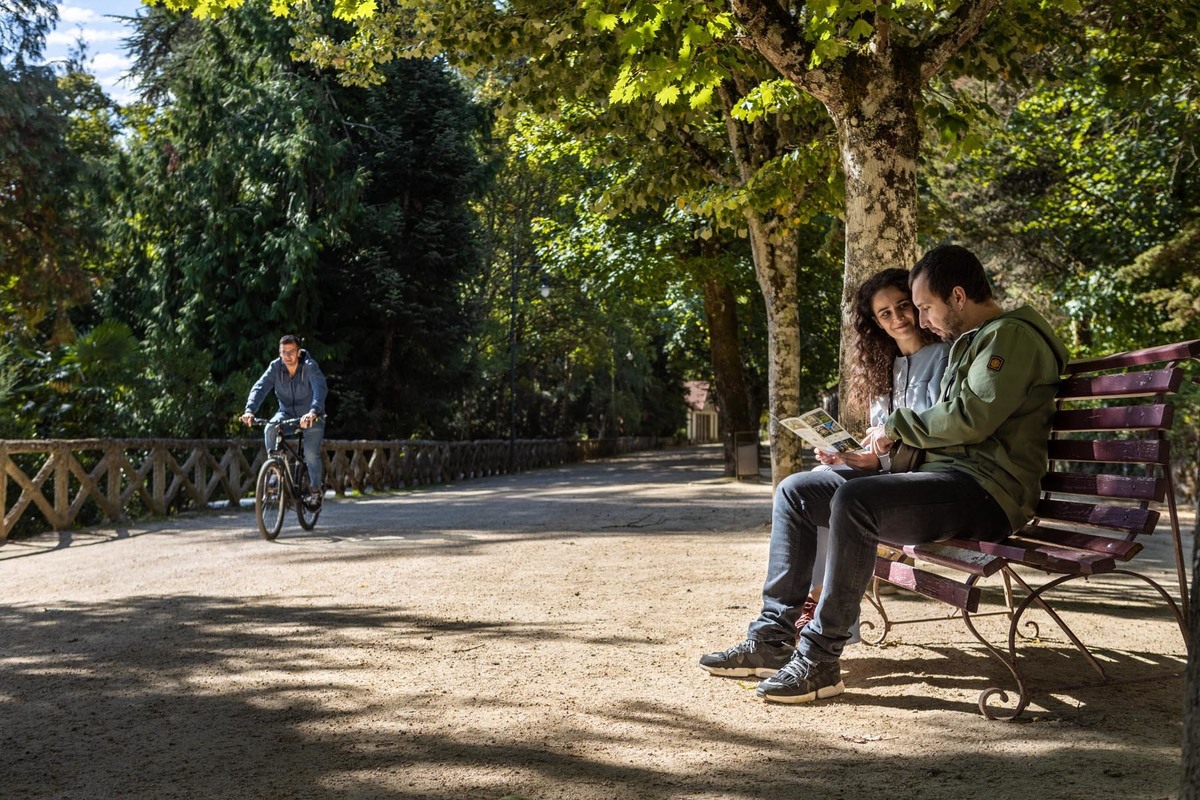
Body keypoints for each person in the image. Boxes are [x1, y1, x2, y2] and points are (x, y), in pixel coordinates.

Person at [699, 244, 1070, 704]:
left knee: (858, 501)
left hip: (987, 492)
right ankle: (773, 637)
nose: (923, 319)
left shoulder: (1008, 337)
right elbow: (956, 420)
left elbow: (972, 417)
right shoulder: (979, 341)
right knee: (797, 490)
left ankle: (819, 658)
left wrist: (895, 427)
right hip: (946, 480)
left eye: (925, 307)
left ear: (957, 296)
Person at [796, 268, 950, 635]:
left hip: (926, 485)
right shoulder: (883, 371)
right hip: (887, 478)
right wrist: (849, 457)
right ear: (876, 323)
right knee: (815, 482)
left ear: (917, 305)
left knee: (845, 496)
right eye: (885, 314)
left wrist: (878, 460)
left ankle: (818, 608)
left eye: (903, 306)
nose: (897, 318)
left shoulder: (947, 357)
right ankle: (813, 607)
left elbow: (945, 428)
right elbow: (881, 452)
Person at [240, 335, 328, 507]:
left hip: (312, 417)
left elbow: (320, 388)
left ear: (299, 352)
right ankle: (275, 470)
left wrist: (313, 411)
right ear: (279, 353)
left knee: (311, 455)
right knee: (270, 428)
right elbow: (260, 386)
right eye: (283, 352)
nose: (287, 356)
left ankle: (316, 491)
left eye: (291, 352)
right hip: (287, 414)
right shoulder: (276, 367)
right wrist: (249, 410)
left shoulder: (309, 367)